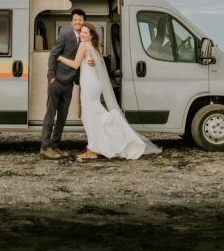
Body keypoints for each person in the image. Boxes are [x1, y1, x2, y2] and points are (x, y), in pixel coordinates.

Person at [55, 22, 161, 161]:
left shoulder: (84, 45)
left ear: (91, 36)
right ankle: (96, 145)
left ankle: (95, 146)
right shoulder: (94, 48)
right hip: (94, 85)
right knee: (93, 114)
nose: (82, 34)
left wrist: (59, 57)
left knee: (90, 116)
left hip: (89, 85)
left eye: (85, 33)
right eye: (82, 32)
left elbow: (75, 64)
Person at [40, 9, 93, 159]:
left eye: (80, 20)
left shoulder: (84, 39)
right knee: (50, 114)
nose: (78, 22)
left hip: (69, 84)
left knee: (62, 117)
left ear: (84, 22)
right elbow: (53, 55)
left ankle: (55, 146)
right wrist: (51, 77)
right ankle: (45, 146)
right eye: (75, 20)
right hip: (56, 81)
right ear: (72, 22)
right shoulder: (65, 35)